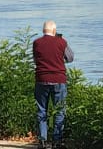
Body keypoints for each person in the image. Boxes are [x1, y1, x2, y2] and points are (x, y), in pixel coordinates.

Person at [33, 20, 74, 149]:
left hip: (41, 79)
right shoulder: (61, 42)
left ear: (43, 30)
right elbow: (70, 58)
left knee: (42, 110)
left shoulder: (36, 43)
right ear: (54, 31)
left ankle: (43, 141)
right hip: (58, 79)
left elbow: (35, 59)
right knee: (60, 110)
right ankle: (57, 141)